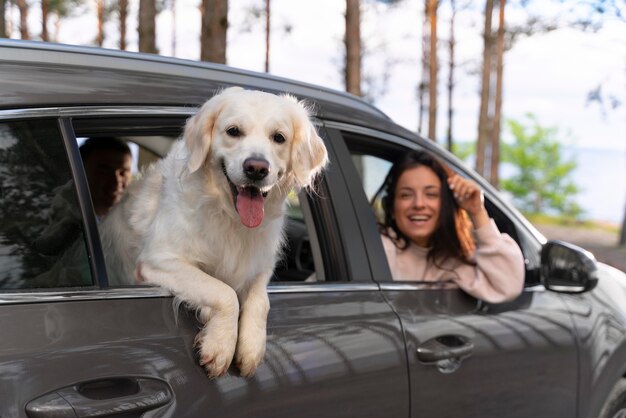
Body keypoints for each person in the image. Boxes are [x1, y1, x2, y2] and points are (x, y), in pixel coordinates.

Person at [373, 150, 524, 303]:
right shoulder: (379, 249)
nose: (418, 204)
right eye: (406, 195)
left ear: (446, 204)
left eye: (431, 194)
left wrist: (478, 212)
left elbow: (508, 286)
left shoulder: (454, 260)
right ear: (392, 207)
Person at [79, 137, 133, 218]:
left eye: (123, 173)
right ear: (81, 171)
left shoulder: (135, 221)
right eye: (105, 171)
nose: (116, 181)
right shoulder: (63, 221)